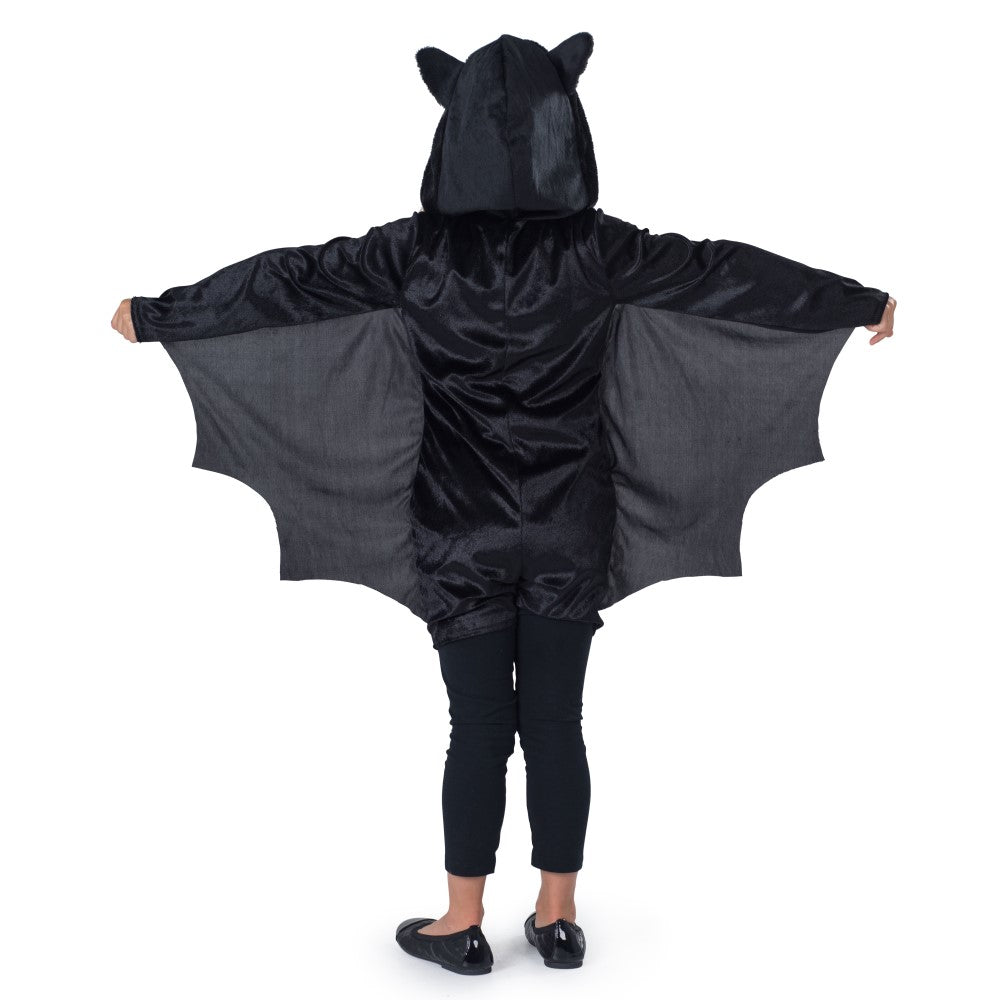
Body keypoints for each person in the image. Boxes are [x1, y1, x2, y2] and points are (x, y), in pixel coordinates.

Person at [111, 31, 896, 975]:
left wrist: (161, 314)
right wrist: (855, 301)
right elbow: (724, 270)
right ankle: (558, 919)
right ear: (568, 126)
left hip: (458, 525)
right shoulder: (600, 252)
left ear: (452, 136)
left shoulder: (414, 254)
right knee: (557, 724)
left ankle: (461, 921)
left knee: (479, 727)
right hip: (572, 522)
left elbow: (291, 280)